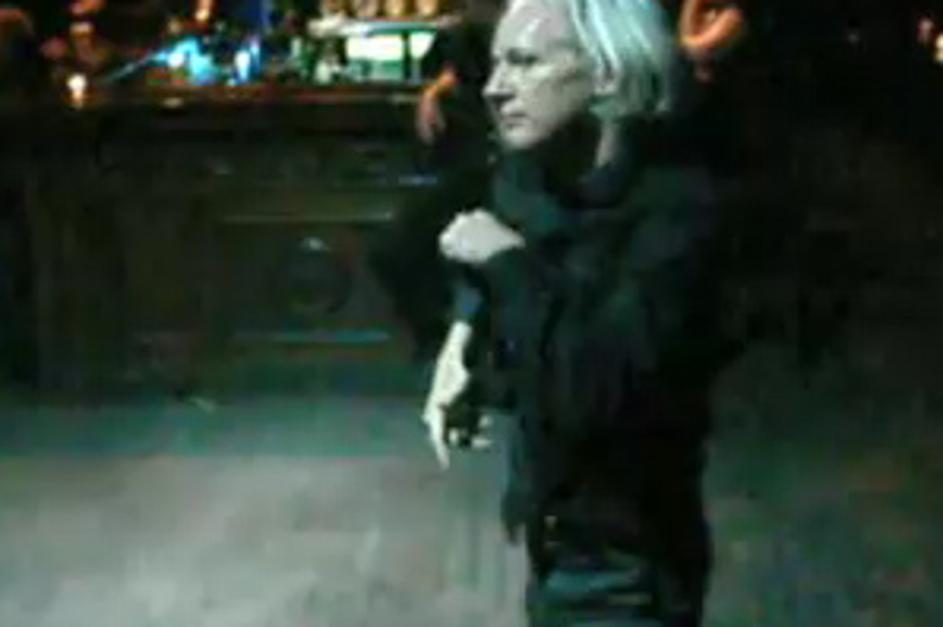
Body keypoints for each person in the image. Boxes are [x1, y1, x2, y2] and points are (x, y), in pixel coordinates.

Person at [423, 0, 729, 624]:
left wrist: (506, 264)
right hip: (555, 540)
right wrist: (461, 340)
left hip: (629, 565)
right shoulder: (534, 176)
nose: (496, 87)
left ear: (608, 74)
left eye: (525, 63)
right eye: (497, 63)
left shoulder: (675, 217)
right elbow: (501, 227)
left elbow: (596, 391)